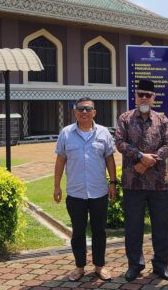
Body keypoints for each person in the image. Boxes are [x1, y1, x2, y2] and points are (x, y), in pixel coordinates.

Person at [115, 79, 168, 282]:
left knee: (161, 226)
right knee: (133, 227)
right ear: (135, 96)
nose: (144, 98)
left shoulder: (162, 119)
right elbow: (120, 142)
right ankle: (135, 264)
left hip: (159, 184)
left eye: (148, 95)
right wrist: (140, 156)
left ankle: (161, 265)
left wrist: (149, 162)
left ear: (154, 98)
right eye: (141, 94)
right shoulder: (125, 118)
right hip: (133, 183)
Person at [54, 97, 117, 282]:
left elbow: (110, 160)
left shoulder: (104, 133)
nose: (84, 112)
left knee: (99, 231)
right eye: (80, 109)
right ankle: (79, 267)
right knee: (78, 231)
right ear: (74, 112)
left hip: (99, 192)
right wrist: (56, 186)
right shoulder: (66, 133)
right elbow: (60, 161)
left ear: (94, 112)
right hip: (76, 193)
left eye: (88, 109)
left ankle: (100, 266)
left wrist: (113, 183)